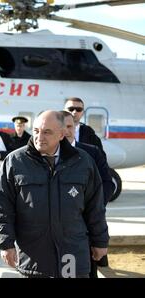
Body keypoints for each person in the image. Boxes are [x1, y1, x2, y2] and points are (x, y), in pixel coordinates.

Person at [0, 110, 109, 278]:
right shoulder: (15, 162)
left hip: (73, 255)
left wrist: (100, 241)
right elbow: (1, 206)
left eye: (47, 132)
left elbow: (95, 207)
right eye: (36, 131)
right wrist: (5, 243)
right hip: (34, 257)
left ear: (62, 134)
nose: (40, 137)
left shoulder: (83, 162)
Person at [61, 110, 114, 278]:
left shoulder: (92, 152)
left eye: (70, 126)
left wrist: (94, 205)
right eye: (62, 127)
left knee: (87, 269)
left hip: (86, 225)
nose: (66, 131)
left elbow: (107, 183)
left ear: (76, 126)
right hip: (57, 229)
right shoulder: (47, 155)